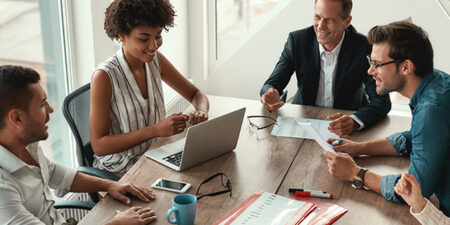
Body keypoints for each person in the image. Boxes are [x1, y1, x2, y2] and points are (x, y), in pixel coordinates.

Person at [0, 65, 157, 224]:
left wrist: (110, 185)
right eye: (42, 104)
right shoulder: (2, 188)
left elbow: (55, 173)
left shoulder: (26, 145)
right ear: (17, 118)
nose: (51, 109)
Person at [324, 21, 449, 216]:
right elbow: (416, 138)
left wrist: (356, 173)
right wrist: (360, 148)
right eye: (370, 61)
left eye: (377, 64)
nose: (370, 71)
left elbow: (413, 191)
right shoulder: (437, 81)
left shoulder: (430, 110)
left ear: (406, 67)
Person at [90, 0, 210, 173]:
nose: (153, 46)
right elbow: (99, 146)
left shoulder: (156, 61)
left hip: (155, 153)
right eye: (144, 39)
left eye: (158, 36)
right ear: (122, 35)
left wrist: (202, 111)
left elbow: (196, 94)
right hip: (121, 168)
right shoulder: (104, 76)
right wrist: (155, 130)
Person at [260, 0, 391, 136]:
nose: (320, 26)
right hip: (303, 121)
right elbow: (271, 83)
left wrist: (355, 121)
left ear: (346, 22)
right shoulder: (297, 41)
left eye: (329, 20)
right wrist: (269, 94)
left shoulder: (364, 47)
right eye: (317, 17)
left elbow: (382, 102)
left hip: (346, 125)